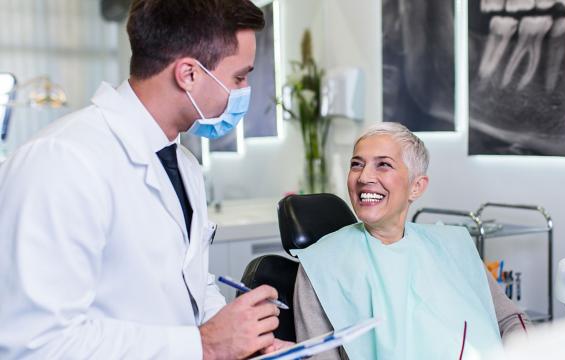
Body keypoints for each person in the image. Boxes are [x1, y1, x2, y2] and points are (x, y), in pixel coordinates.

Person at [0, 0, 290, 358]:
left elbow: (192, 289)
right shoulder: (61, 161)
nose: (245, 90)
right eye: (239, 77)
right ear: (188, 74)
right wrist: (205, 346)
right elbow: (35, 344)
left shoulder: (182, 164)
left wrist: (251, 344)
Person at [292, 122, 529, 359]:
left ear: (416, 187)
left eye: (383, 165)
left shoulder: (453, 245)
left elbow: (510, 319)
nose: (364, 177)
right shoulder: (320, 265)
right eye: (357, 164)